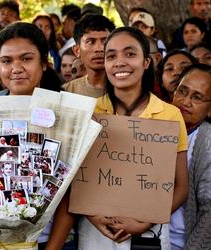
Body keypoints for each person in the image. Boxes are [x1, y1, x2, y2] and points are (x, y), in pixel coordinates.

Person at [46, 27, 188, 250]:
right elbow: (74, 180)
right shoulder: (91, 114)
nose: (119, 62)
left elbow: (181, 186)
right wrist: (93, 216)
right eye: (111, 56)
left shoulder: (170, 115)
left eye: (130, 54)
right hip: (95, 231)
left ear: (146, 62)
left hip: (150, 231)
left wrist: (145, 221)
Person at [171, 63, 211, 249]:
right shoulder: (151, 128)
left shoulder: (207, 142)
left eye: (197, 97)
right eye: (182, 91)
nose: (185, 102)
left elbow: (209, 213)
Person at [63, 14, 115, 97]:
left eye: (105, 41)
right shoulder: (66, 92)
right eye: (90, 42)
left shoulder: (129, 89)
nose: (99, 48)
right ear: (77, 50)